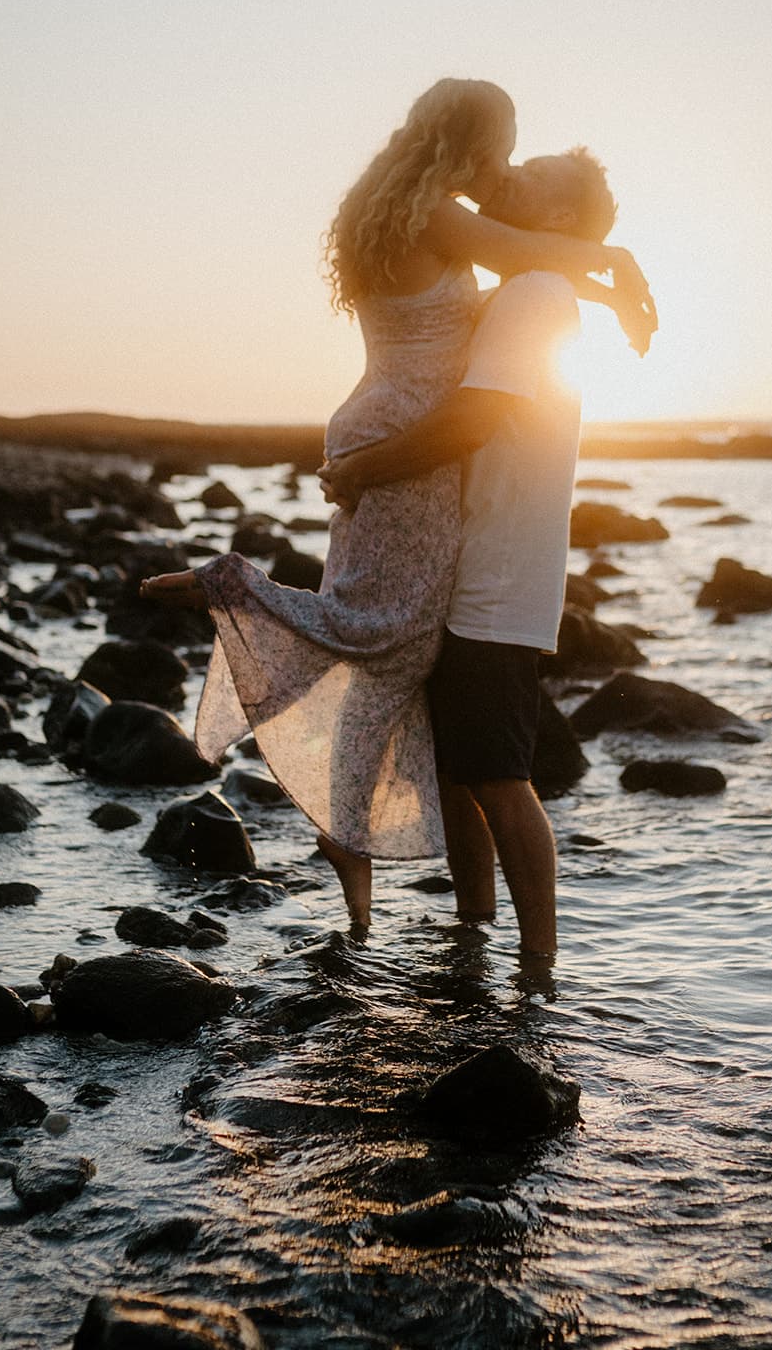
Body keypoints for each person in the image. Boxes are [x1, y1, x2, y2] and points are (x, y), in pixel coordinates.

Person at [141, 79, 654, 929]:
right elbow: (535, 258)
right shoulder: (441, 215)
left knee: (392, 645)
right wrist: (622, 265)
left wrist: (601, 284)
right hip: (402, 450)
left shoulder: (394, 203)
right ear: (467, 143)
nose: (504, 167)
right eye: (502, 148)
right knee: (384, 631)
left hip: (377, 426)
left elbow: (530, 268)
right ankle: (237, 590)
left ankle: (423, 893)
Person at [319, 150, 656, 957]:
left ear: (563, 216)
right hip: (468, 567)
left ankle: (538, 967)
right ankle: (473, 934)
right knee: (459, 776)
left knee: (501, 778)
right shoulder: (524, 285)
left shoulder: (534, 296)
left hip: (498, 580)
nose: (507, 173)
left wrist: (360, 469)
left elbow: (469, 422)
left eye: (529, 172)